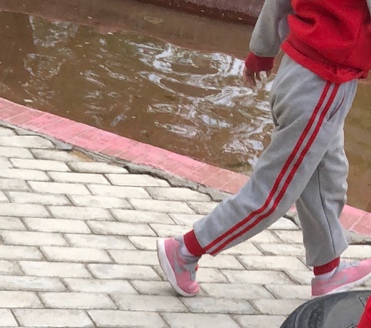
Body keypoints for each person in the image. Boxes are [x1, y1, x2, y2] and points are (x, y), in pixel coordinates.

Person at [157, 0, 371, 298]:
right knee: (272, 193)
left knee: (327, 176)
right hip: (323, 81)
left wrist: (261, 51)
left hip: (303, 71)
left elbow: (278, 3)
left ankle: (328, 270)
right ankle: (185, 250)